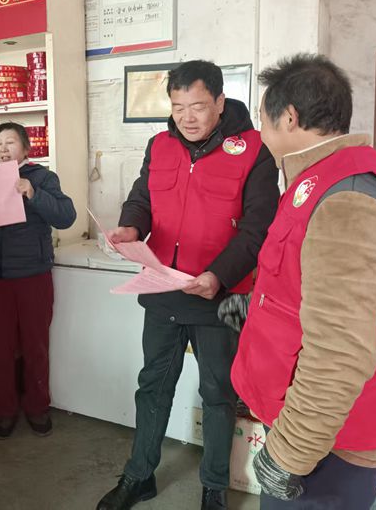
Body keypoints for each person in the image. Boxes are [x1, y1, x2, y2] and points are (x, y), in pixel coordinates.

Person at [231, 54, 376, 509]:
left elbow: (339, 352)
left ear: (289, 117)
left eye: (263, 120)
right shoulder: (319, 181)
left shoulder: (349, 200)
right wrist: (259, 310)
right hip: (313, 427)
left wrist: (289, 453)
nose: (260, 133)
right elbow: (310, 288)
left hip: (329, 446)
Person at [97, 60, 280, 510]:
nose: (187, 117)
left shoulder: (255, 150)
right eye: (178, 107)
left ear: (220, 101)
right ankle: (138, 476)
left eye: (197, 106)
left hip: (224, 295)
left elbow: (259, 227)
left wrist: (218, 275)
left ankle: (214, 486)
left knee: (219, 393)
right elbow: (142, 198)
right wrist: (130, 228)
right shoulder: (159, 145)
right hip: (164, 288)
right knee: (153, 385)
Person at [0, 122, 76, 439]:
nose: (3, 149)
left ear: (26, 149)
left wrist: (33, 193)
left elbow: (66, 216)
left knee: (35, 344)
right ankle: (4, 410)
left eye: (10, 142)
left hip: (32, 275)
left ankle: (37, 406)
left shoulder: (43, 178)